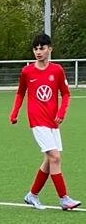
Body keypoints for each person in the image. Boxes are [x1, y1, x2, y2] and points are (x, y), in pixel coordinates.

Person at [10, 33, 81, 211]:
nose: (38, 52)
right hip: (37, 121)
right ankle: (64, 198)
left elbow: (66, 94)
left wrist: (61, 112)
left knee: (49, 161)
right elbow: (20, 92)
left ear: (50, 49)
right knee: (55, 157)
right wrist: (14, 112)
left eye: (42, 48)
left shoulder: (57, 70)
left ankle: (32, 195)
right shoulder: (27, 71)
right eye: (35, 49)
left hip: (53, 121)